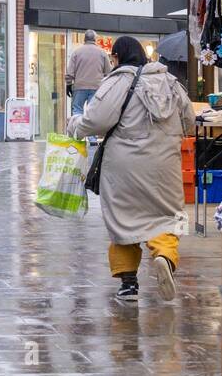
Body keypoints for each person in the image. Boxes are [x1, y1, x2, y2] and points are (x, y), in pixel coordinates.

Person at [68, 36, 193, 304]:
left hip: (124, 167)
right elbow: (189, 120)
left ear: (117, 57)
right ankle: (163, 258)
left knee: (124, 220)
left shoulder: (118, 82)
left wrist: (75, 125)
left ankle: (128, 284)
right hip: (165, 167)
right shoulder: (170, 82)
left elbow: (96, 120)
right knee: (166, 217)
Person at [66, 29, 112, 117]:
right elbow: (108, 72)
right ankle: (90, 130)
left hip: (79, 86)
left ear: (84, 39)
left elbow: (70, 71)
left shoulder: (76, 52)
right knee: (92, 113)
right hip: (96, 87)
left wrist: (68, 84)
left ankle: (77, 129)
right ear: (95, 39)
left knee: (77, 110)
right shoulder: (102, 53)